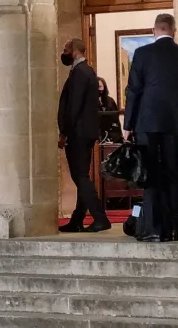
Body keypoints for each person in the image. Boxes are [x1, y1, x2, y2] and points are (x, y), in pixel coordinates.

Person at [124, 14, 178, 242]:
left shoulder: (142, 54)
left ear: (154, 30)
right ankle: (175, 228)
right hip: (175, 124)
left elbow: (133, 90)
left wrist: (128, 124)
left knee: (150, 174)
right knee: (174, 175)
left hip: (147, 122)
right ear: (173, 31)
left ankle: (153, 229)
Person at [58, 39, 111, 233]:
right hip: (84, 131)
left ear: (74, 51)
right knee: (81, 176)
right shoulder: (86, 71)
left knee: (80, 176)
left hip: (78, 132)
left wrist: (64, 132)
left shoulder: (80, 72)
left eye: (65, 49)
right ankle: (78, 219)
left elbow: (74, 105)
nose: (63, 53)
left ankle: (100, 217)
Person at [98, 77, 122, 143]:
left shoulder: (110, 101)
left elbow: (116, 120)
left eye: (100, 86)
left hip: (111, 134)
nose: (98, 89)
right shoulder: (90, 102)